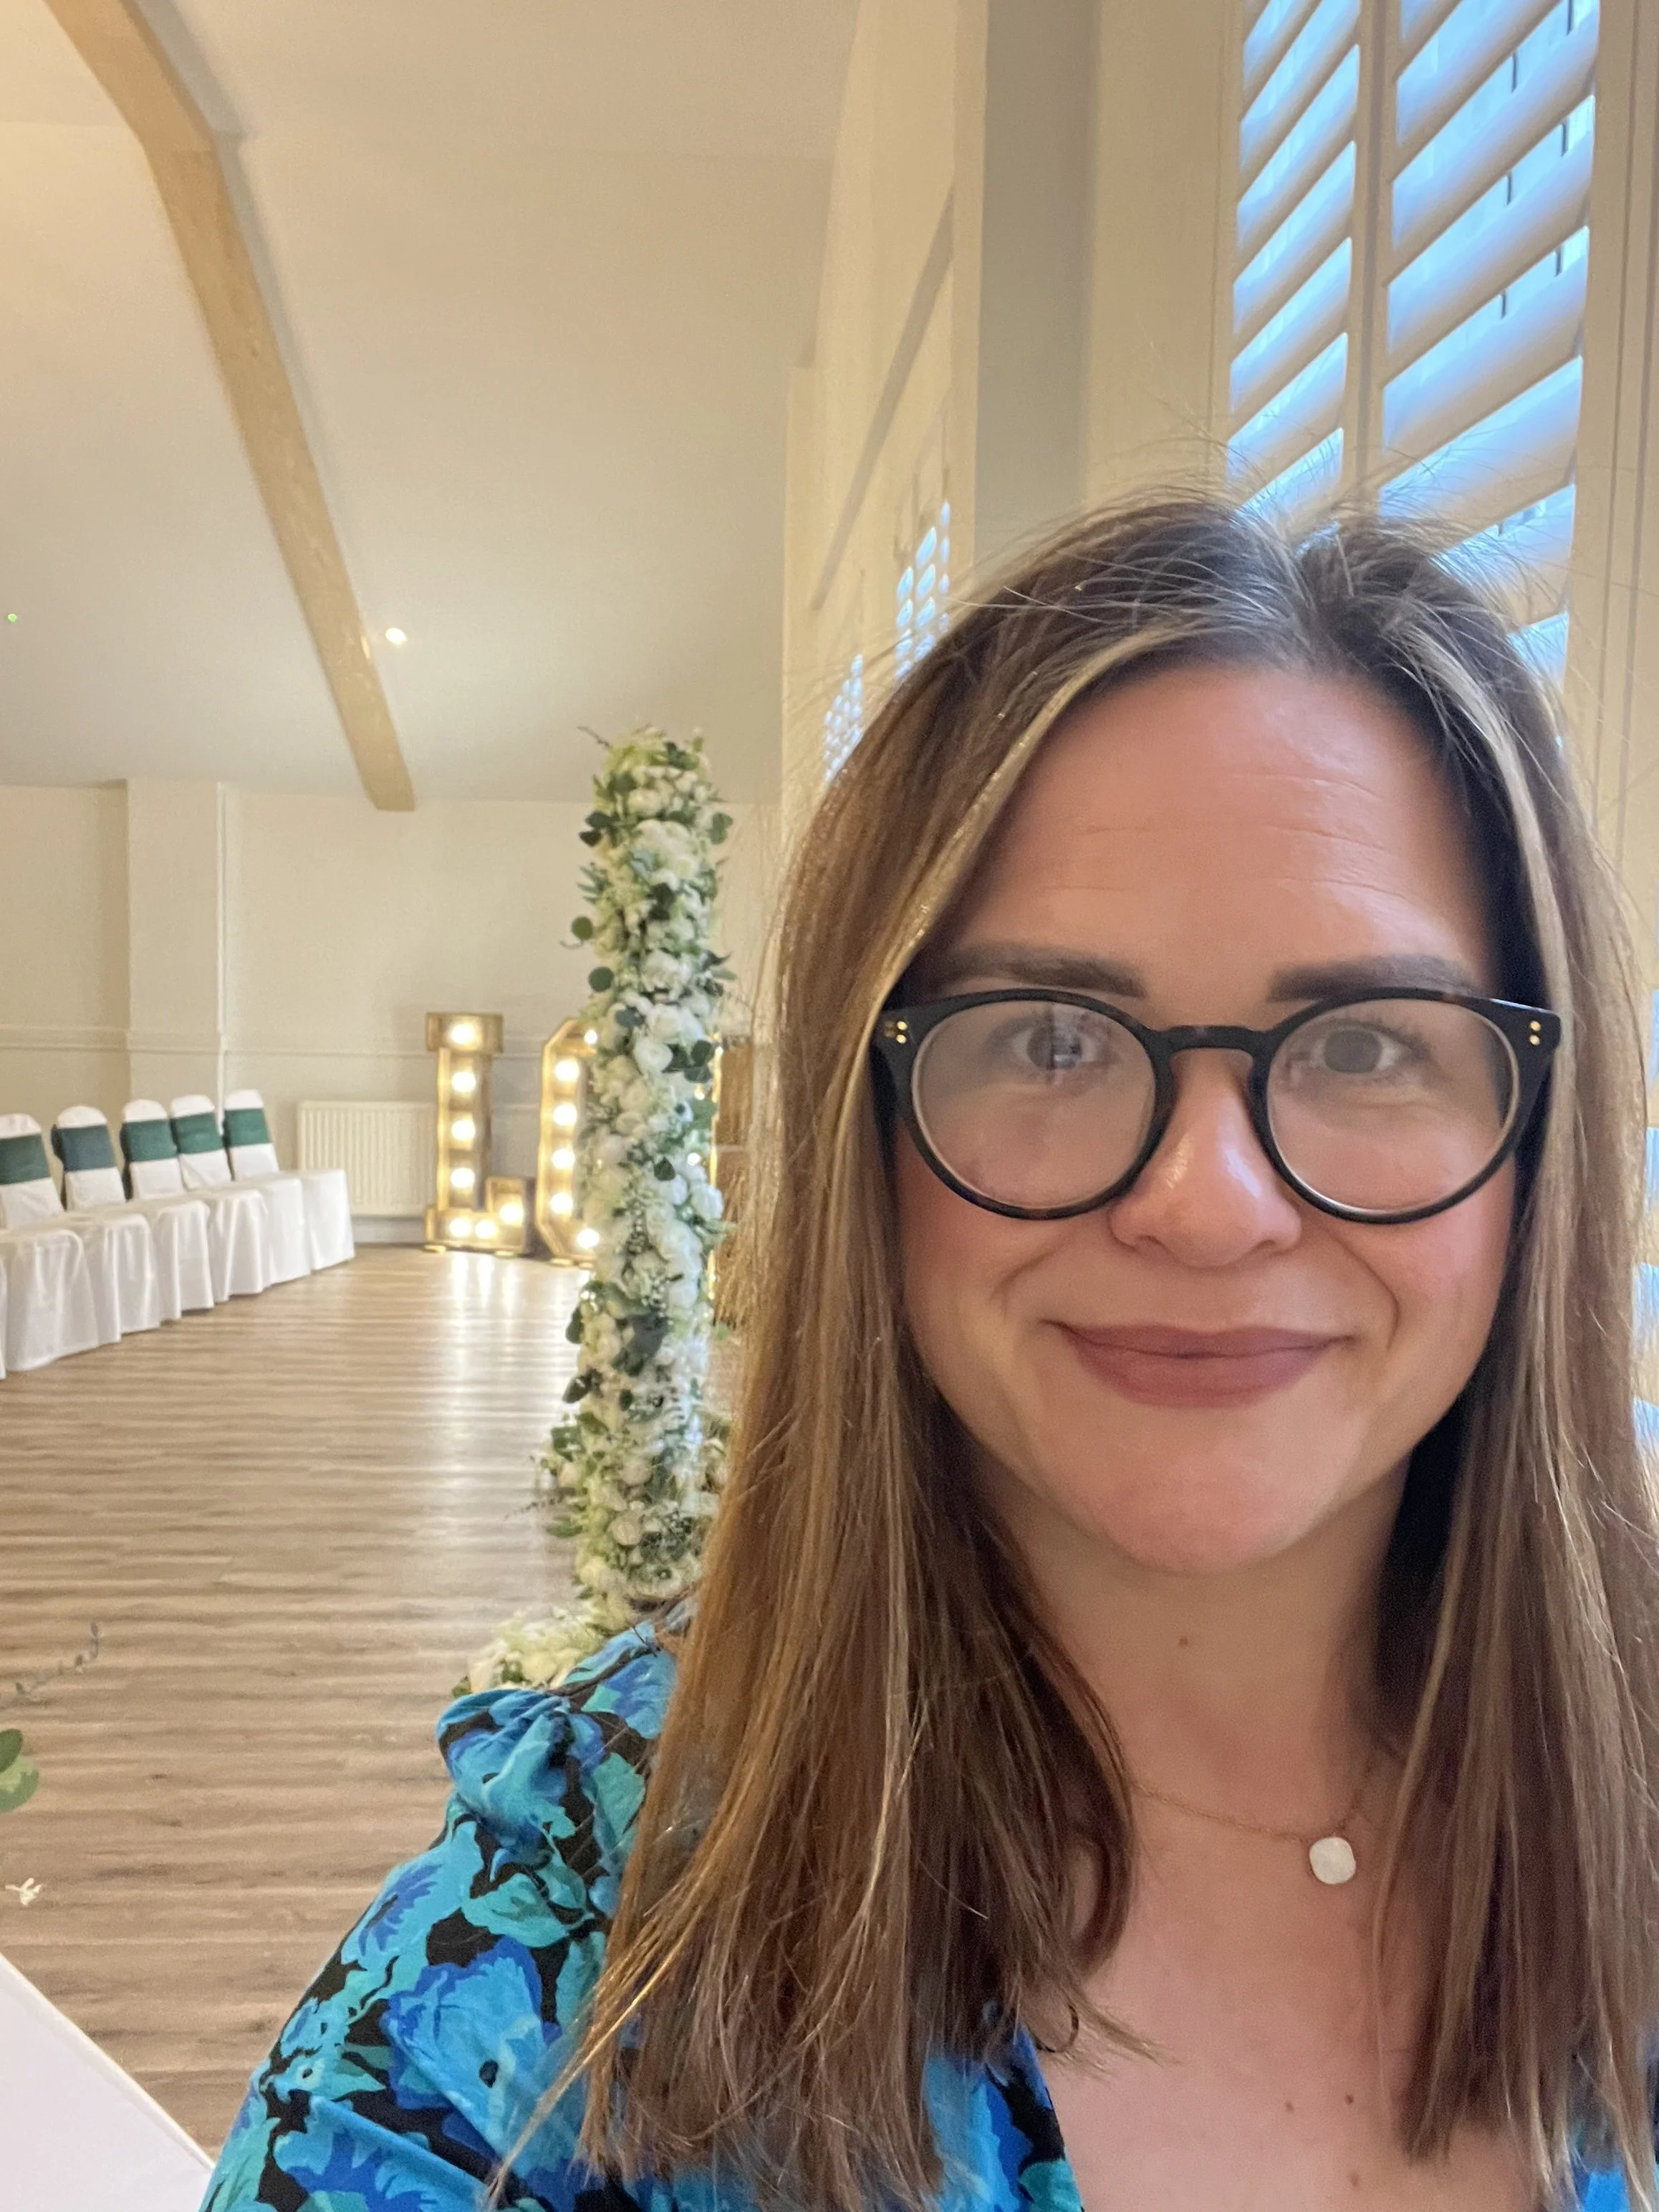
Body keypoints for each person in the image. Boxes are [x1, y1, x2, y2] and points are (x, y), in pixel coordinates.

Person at [204, 496, 1659, 2212]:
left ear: (1540, 1141)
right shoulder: (552, 1974)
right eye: (1049, 1036)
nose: (1209, 1203)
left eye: (1363, 1042)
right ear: (866, 1140)